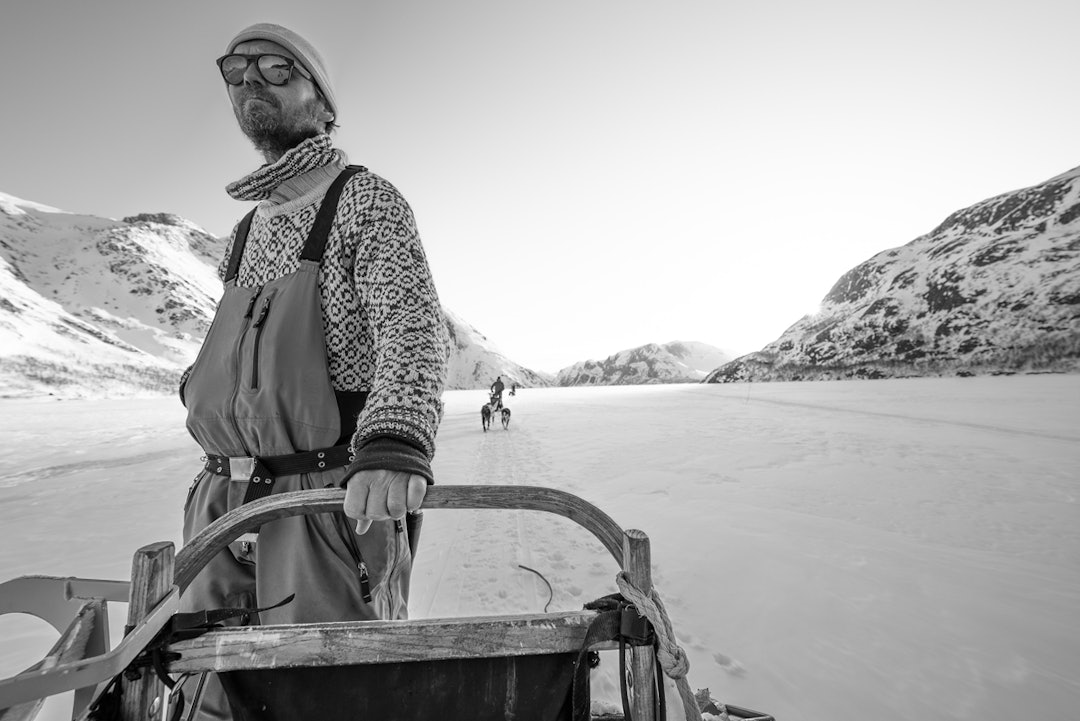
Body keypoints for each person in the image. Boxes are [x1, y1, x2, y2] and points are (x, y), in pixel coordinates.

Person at [178, 22, 449, 720]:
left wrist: (394, 445)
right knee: (207, 688)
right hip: (223, 502)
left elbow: (414, 331)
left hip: (326, 503)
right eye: (236, 72)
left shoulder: (366, 200)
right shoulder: (243, 232)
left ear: (323, 103)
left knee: (328, 695)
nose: (251, 83)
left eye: (277, 68)